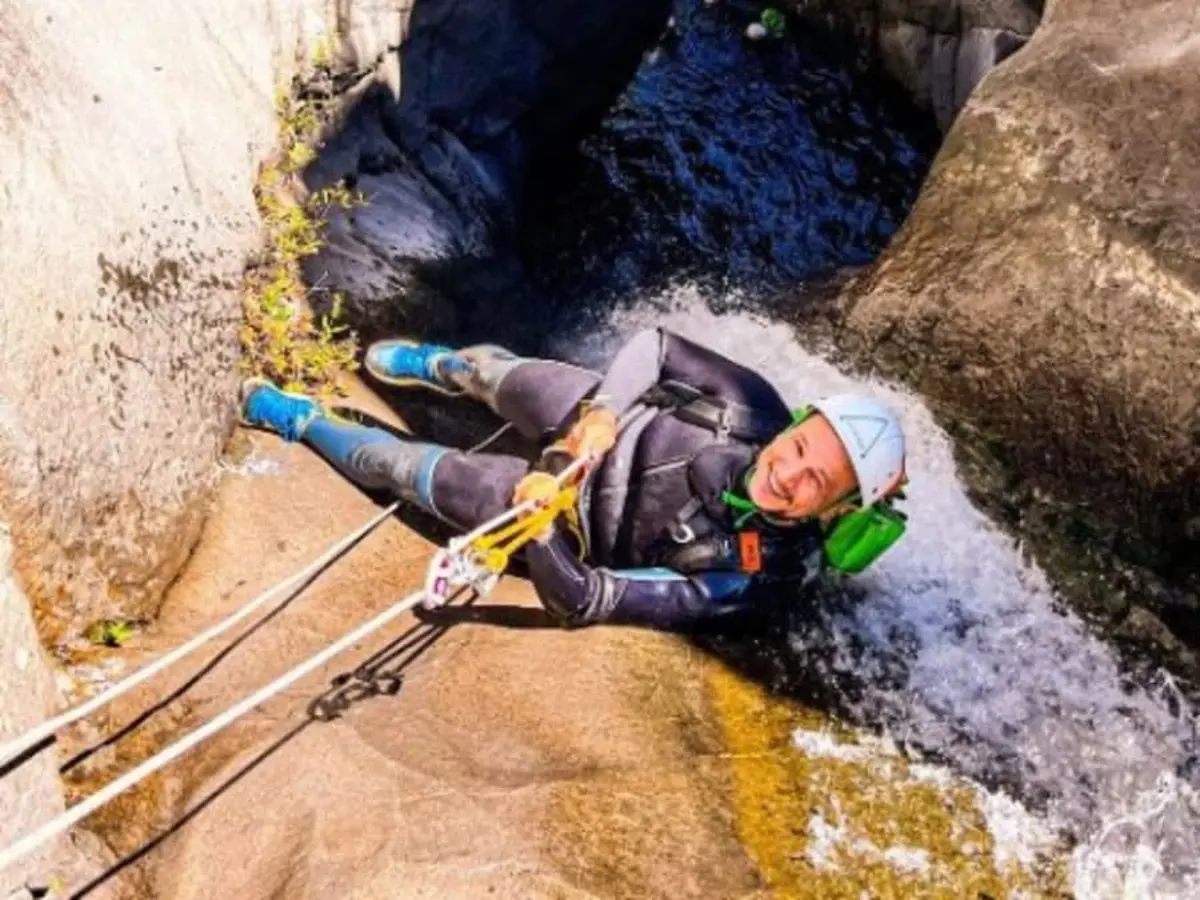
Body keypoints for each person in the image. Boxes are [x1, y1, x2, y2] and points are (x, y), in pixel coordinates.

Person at [239, 328, 909, 630]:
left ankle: (302, 423)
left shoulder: (751, 577)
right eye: (796, 448)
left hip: (569, 523)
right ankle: (443, 367)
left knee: (397, 469)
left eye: (814, 480)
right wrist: (602, 415)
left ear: (836, 509)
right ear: (790, 425)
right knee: (493, 376)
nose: (786, 472)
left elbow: (586, 599)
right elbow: (657, 347)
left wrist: (539, 533)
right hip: (593, 420)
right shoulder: (750, 404)